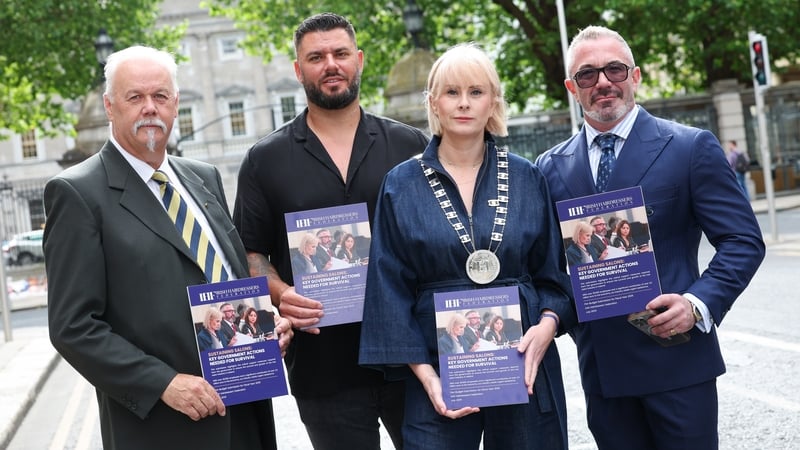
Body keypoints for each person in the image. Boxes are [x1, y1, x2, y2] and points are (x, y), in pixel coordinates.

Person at [42, 45, 293, 450]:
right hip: (163, 425)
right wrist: (164, 384)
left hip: (246, 410)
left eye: (160, 96)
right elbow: (74, 327)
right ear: (109, 106)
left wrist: (267, 322)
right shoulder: (77, 193)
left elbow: (227, 277)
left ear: (175, 104)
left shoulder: (204, 177)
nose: (149, 108)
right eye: (134, 97)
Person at [535, 26, 766, 449]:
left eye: (615, 69)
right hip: (603, 369)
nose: (603, 82)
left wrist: (697, 304)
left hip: (677, 360)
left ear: (635, 76)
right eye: (587, 75)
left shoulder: (689, 147)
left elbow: (743, 241)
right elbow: (549, 266)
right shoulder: (549, 167)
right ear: (572, 87)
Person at [359, 43, 574, 449]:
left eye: (476, 92)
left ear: (493, 101)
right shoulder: (401, 185)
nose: (464, 104)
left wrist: (546, 328)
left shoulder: (528, 177)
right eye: (451, 92)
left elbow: (553, 277)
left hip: (523, 363)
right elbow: (389, 291)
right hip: (438, 373)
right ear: (433, 103)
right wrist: (429, 380)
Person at [233, 13, 429, 450]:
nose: (331, 64)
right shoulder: (264, 160)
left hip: (412, 357)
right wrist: (283, 294)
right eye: (316, 57)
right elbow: (249, 254)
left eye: (340, 53)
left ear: (358, 60)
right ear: (298, 70)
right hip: (323, 368)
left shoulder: (410, 147)